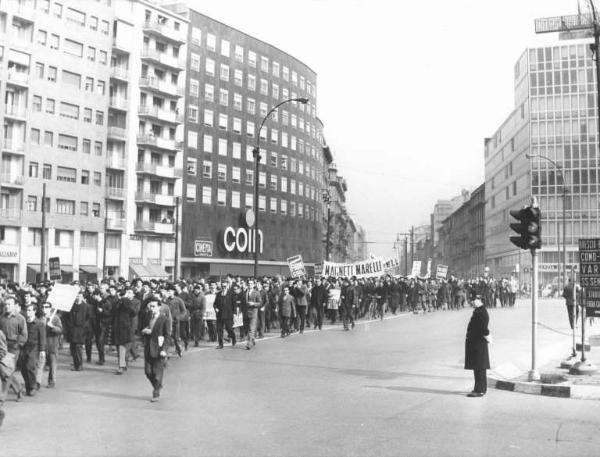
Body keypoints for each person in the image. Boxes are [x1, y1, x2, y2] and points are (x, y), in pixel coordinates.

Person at [142, 299, 169, 402]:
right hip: (148, 348)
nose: (151, 309)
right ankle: (158, 386)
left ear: (159, 307)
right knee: (148, 372)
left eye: (153, 306)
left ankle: (156, 392)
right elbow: (146, 328)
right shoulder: (148, 317)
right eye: (150, 306)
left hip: (159, 349)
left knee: (157, 373)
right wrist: (144, 331)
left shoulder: (164, 319)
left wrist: (164, 349)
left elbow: (167, 336)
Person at [464, 295, 490, 397]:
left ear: (479, 300)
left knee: (480, 368)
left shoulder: (482, 312)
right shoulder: (478, 311)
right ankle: (478, 388)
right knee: (477, 367)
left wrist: (488, 337)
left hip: (479, 344)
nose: (472, 302)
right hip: (476, 343)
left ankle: (480, 390)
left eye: (473, 300)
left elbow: (484, 328)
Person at [20, 304, 46, 396]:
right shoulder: (24, 322)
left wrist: (42, 350)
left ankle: (32, 386)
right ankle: (28, 387)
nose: (28, 312)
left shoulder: (39, 323)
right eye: (27, 310)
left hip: (34, 348)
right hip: (24, 347)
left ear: (34, 311)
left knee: (30, 367)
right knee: (23, 369)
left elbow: (42, 337)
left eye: (30, 310)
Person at [42, 303, 62, 388]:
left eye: (46, 307)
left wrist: (52, 327)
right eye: (43, 307)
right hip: (42, 344)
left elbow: (60, 329)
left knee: (52, 364)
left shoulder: (55, 318)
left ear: (50, 308)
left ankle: (51, 381)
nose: (44, 308)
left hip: (52, 344)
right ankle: (36, 381)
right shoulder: (41, 318)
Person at [214, 281, 236, 349]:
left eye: (225, 286)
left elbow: (234, 305)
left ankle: (233, 337)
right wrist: (215, 308)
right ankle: (220, 344)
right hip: (220, 315)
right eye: (222, 286)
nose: (223, 288)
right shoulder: (218, 294)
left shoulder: (231, 294)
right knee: (219, 330)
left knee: (229, 329)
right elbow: (215, 303)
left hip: (228, 315)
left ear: (227, 286)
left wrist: (234, 314)